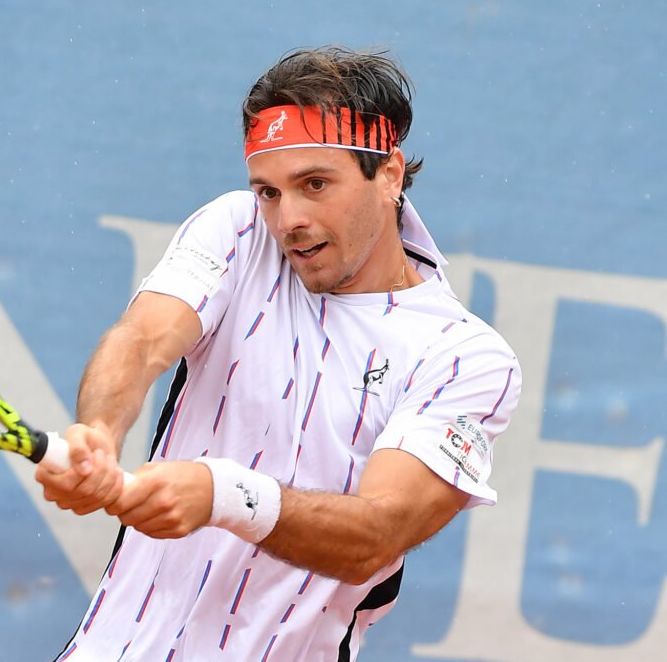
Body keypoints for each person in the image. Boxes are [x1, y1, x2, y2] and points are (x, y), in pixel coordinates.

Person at [37, 46, 522, 660]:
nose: (287, 218)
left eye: (315, 184)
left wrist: (223, 494)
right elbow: (141, 338)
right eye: (269, 191)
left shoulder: (466, 359)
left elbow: (375, 537)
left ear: (390, 175)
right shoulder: (238, 230)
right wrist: (98, 433)